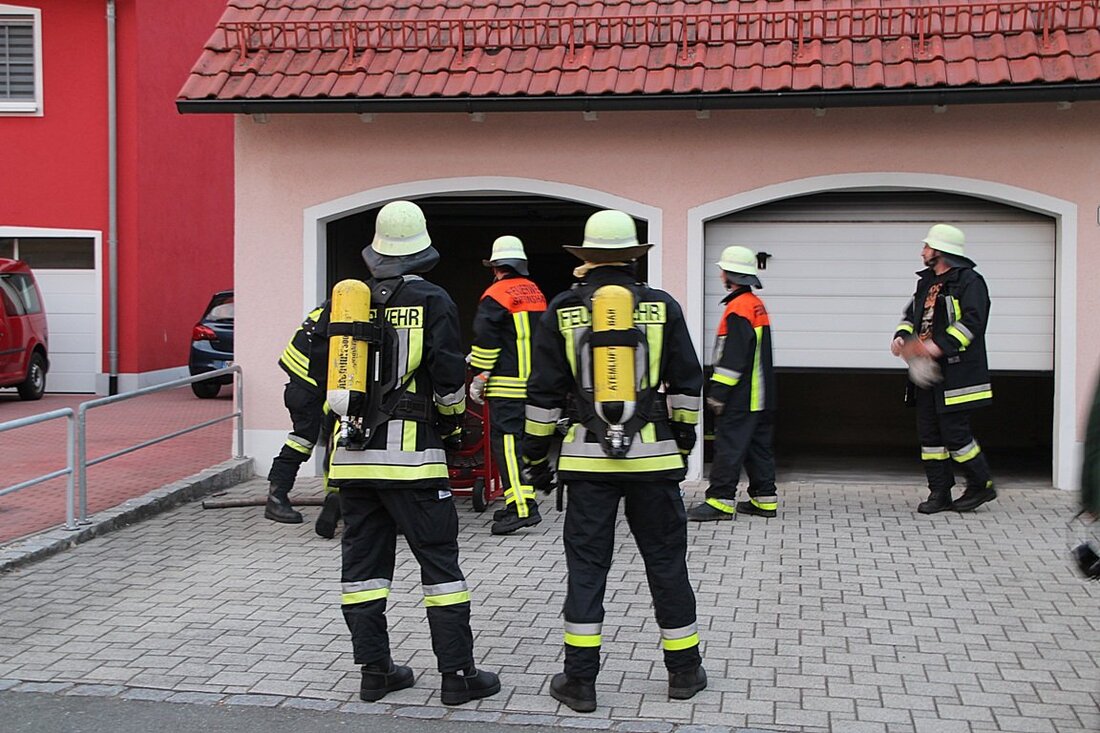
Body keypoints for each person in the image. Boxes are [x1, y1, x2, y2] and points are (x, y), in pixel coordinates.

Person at [522, 209, 706, 713]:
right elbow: (688, 384)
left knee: (587, 569)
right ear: (632, 257)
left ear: (586, 258)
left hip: (586, 465)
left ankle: (579, 681)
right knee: (667, 564)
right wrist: (681, 444)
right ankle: (684, 672)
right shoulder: (662, 307)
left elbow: (541, 393)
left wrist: (535, 457)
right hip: (653, 463)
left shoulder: (562, 308)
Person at [325, 200, 500, 705]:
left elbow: (327, 378)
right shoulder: (433, 299)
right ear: (420, 249)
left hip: (352, 460)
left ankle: (375, 673)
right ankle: (458, 676)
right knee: (440, 567)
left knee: (363, 572)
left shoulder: (344, 303)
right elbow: (448, 379)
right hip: (413, 462)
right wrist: (452, 425)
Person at [891, 224, 996, 514]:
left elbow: (972, 323)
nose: (922, 251)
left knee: (956, 435)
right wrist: (902, 337)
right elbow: (911, 316)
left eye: (927, 246)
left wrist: (937, 347)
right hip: (926, 375)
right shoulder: (926, 282)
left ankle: (981, 484)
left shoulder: (970, 282)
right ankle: (939, 492)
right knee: (930, 438)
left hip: (957, 373)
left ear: (940, 251)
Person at [686, 246, 778, 522]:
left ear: (730, 274)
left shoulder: (738, 308)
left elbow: (734, 357)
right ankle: (764, 501)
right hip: (761, 396)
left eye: (722, 270)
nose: (721, 274)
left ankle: (720, 502)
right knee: (757, 448)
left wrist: (718, 393)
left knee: (728, 446)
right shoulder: (755, 305)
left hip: (741, 396)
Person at [468, 235, 547, 535]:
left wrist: (480, 375)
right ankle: (520, 499)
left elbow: (487, 341)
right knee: (522, 446)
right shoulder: (535, 292)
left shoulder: (496, 294)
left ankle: (523, 508)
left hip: (507, 386)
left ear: (496, 266)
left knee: (507, 445)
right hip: (534, 384)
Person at [266, 303, 337, 528]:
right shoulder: (339, 313)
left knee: (310, 440)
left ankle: (278, 497)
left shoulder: (325, 309)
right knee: (304, 441)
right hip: (308, 390)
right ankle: (276, 499)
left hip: (302, 386)